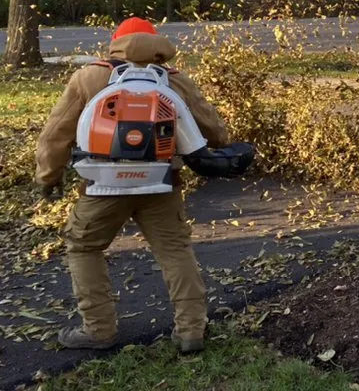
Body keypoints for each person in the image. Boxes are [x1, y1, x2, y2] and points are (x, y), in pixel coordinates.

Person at [35, 18, 251, 354]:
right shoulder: (175, 80)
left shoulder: (90, 76)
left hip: (101, 185)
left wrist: (48, 176)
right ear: (157, 44)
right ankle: (191, 331)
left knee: (84, 248)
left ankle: (99, 329)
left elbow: (56, 133)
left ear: (115, 43)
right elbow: (215, 133)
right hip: (161, 183)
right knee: (175, 251)